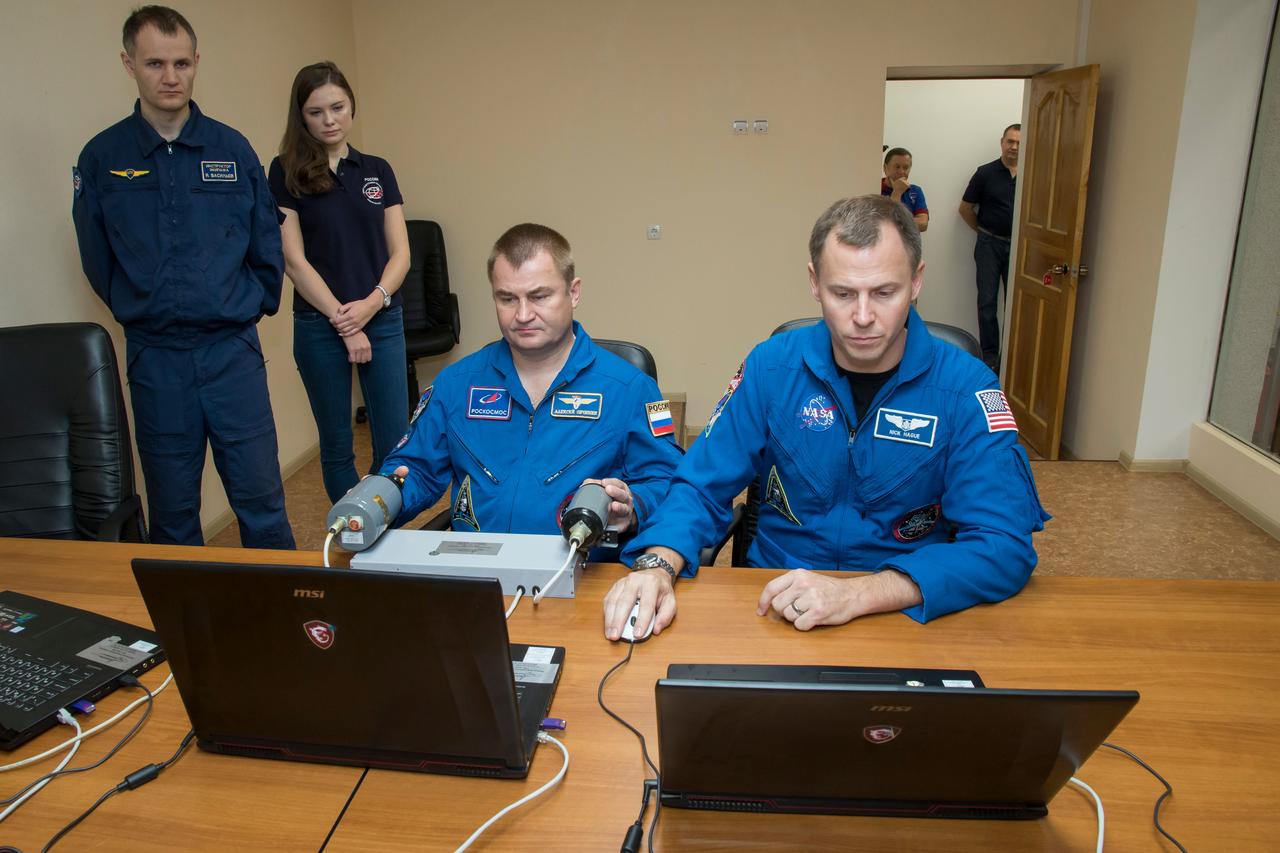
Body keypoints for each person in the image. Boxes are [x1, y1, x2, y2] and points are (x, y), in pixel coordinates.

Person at [603, 195, 1048, 640]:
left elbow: (1002, 544)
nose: (862, 317)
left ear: (916, 282)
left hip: (905, 614)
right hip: (776, 606)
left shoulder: (968, 388)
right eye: (843, 293)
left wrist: (860, 594)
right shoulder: (771, 367)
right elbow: (700, 486)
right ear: (815, 283)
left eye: (884, 292)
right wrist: (657, 563)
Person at [72, 6, 294, 548]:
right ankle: (189, 630)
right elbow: (97, 257)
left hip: (231, 353)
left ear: (197, 63)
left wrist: (248, 305)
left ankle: (285, 626)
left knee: (262, 503)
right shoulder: (103, 158)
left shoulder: (231, 149)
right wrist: (141, 305)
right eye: (154, 64)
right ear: (129, 64)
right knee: (172, 514)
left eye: (180, 63)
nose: (170, 77)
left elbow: (266, 243)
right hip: (157, 359)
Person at [377, 224, 683, 557]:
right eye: (507, 298)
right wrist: (380, 495)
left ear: (574, 292)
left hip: (580, 575)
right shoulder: (456, 383)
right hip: (474, 573)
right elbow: (414, 469)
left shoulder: (635, 389)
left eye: (539, 296)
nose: (522, 315)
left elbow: (668, 478)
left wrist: (633, 506)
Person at [268, 62, 410, 503]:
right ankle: (354, 533)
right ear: (301, 116)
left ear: (352, 107)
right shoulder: (284, 172)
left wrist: (372, 303)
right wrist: (344, 320)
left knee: (395, 444)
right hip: (319, 324)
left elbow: (401, 253)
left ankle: (384, 524)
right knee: (336, 446)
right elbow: (293, 258)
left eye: (338, 107)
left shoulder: (377, 170)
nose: (329, 120)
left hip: (382, 318)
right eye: (316, 112)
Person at [959, 124, 1021, 371]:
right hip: (989, 244)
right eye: (1010, 141)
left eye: (1018, 142)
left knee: (1017, 304)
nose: (1014, 147)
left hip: (1019, 247)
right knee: (987, 302)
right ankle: (990, 359)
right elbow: (965, 209)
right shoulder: (985, 173)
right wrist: (985, 234)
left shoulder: (1034, 173)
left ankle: (1012, 358)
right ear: (1002, 142)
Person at [881, 147, 929, 232]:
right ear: (885, 168)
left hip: (908, 245)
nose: (901, 172)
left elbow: (923, 224)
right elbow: (886, 226)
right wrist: (897, 192)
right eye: (897, 167)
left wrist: (897, 222)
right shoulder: (875, 187)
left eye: (906, 167)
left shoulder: (915, 191)